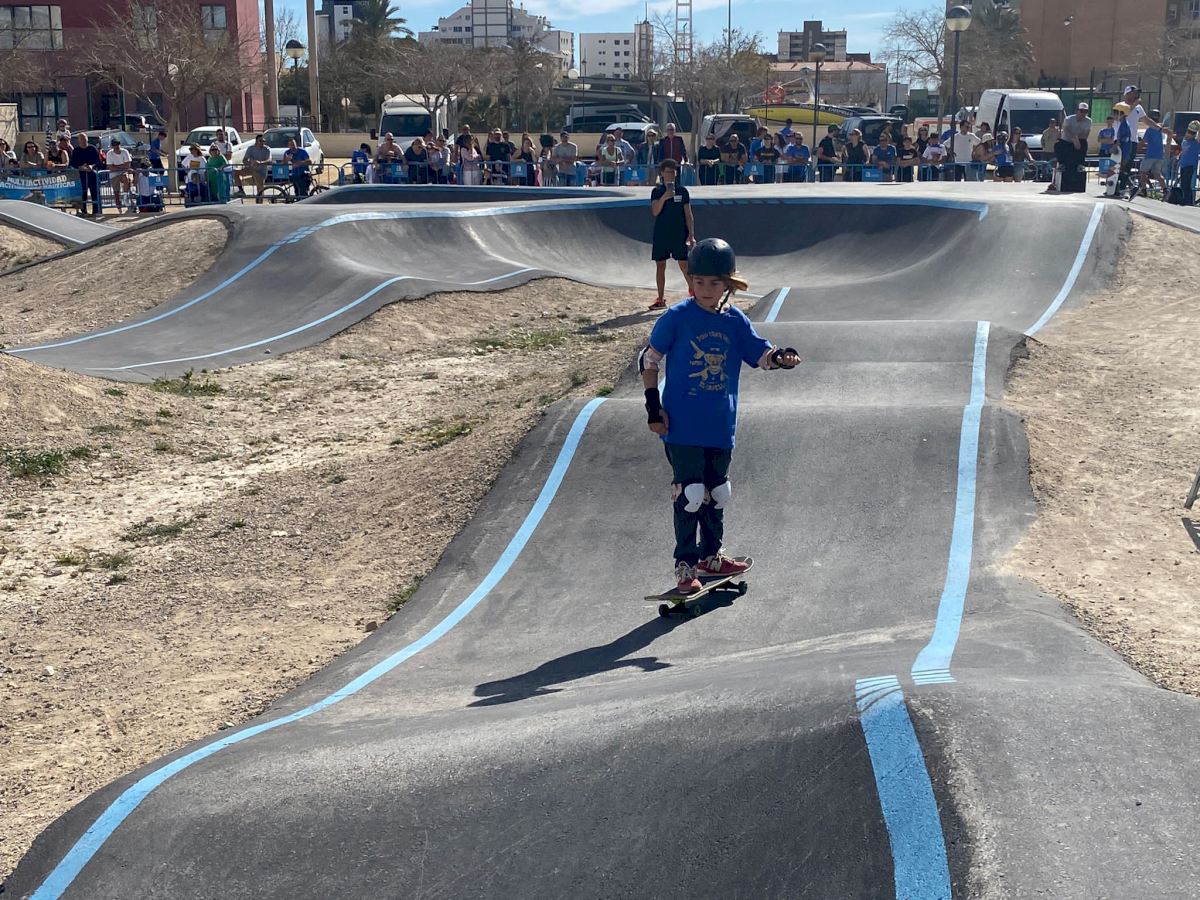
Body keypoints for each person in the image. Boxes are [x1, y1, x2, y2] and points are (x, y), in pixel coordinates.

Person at [638, 238, 801, 594]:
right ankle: (685, 565)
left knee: (717, 492)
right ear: (690, 281)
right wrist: (653, 405)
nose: (706, 289)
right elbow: (648, 359)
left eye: (714, 283)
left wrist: (781, 357)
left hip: (720, 425)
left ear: (727, 284)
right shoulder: (676, 318)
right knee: (690, 494)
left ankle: (711, 556)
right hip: (681, 425)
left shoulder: (734, 321)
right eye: (699, 282)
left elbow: (759, 353)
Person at [648, 159, 695, 311]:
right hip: (662, 233)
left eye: (673, 172)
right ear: (662, 173)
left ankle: (695, 294)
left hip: (679, 233)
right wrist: (665, 197)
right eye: (668, 172)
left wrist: (691, 234)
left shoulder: (682, 191)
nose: (671, 175)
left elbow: (688, 214)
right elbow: (655, 211)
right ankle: (660, 298)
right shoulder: (657, 191)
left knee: (684, 265)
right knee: (660, 265)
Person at [70, 134, 102, 215]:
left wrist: (92, 166)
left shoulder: (92, 149)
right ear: (78, 140)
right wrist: (80, 167)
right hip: (81, 175)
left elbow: (98, 161)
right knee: (83, 193)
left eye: (84, 139)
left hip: (92, 174)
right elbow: (73, 163)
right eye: (81, 139)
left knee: (95, 192)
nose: (83, 141)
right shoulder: (76, 150)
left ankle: (96, 211)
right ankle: (83, 211)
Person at [1138, 117, 1169, 198]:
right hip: (1160, 155)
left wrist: (1137, 148)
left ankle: (1143, 190)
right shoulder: (1159, 130)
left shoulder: (1150, 129)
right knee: (1157, 174)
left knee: (1142, 172)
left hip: (1151, 154)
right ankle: (1165, 189)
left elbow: (1143, 141)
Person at [239, 133, 272, 202]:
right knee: (235, 172)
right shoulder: (251, 148)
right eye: (260, 141)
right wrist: (250, 164)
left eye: (263, 141)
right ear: (256, 141)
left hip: (261, 172)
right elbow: (244, 160)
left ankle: (260, 202)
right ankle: (240, 190)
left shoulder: (267, 149)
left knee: (260, 188)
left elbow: (269, 160)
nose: (262, 142)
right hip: (251, 169)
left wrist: (260, 162)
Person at [105, 137, 133, 211]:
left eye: (117, 145)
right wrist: (122, 166)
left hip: (123, 172)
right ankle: (119, 209)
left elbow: (127, 165)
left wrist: (116, 166)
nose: (116, 147)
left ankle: (125, 197)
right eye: (115, 145)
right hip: (113, 174)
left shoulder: (125, 151)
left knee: (126, 179)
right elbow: (110, 167)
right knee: (116, 193)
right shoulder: (109, 153)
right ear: (112, 146)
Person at [1178, 121, 1199, 206]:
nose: (1189, 134)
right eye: (1189, 132)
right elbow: (1183, 151)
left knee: (1187, 184)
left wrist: (1198, 127)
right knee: (1183, 184)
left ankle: (1188, 201)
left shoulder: (1196, 143)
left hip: (1190, 166)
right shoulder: (1184, 141)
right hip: (1183, 165)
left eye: (1192, 133)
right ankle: (1184, 199)